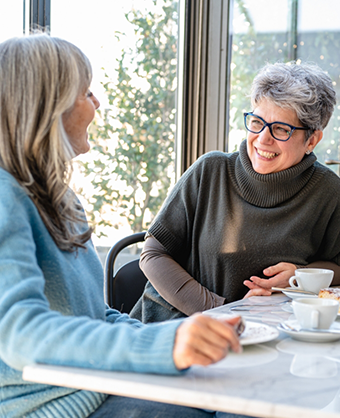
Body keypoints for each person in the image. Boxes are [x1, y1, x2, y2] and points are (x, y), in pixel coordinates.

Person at [0, 34, 251, 418]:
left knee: (239, 396)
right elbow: (19, 333)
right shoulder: (5, 198)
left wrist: (178, 338)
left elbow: (94, 317)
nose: (97, 103)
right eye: (86, 92)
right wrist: (165, 346)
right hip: (52, 405)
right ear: (49, 107)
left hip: (99, 386)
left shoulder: (63, 201)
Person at [130, 61, 340, 324]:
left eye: (281, 129)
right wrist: (225, 311)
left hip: (269, 336)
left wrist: (302, 276)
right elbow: (153, 254)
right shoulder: (211, 170)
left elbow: (337, 266)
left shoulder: (328, 191)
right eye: (256, 122)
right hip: (174, 328)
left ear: (312, 140)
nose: (263, 139)